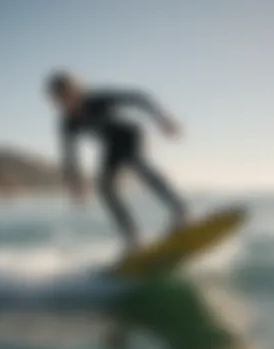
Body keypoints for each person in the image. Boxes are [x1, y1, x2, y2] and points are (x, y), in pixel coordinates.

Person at [45, 71, 186, 254]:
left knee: (136, 164)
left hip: (130, 134)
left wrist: (163, 119)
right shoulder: (67, 123)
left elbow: (139, 98)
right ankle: (132, 237)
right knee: (104, 188)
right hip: (111, 146)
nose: (66, 102)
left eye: (68, 94)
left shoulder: (99, 99)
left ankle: (180, 210)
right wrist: (76, 185)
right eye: (60, 99)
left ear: (78, 90)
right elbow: (70, 156)